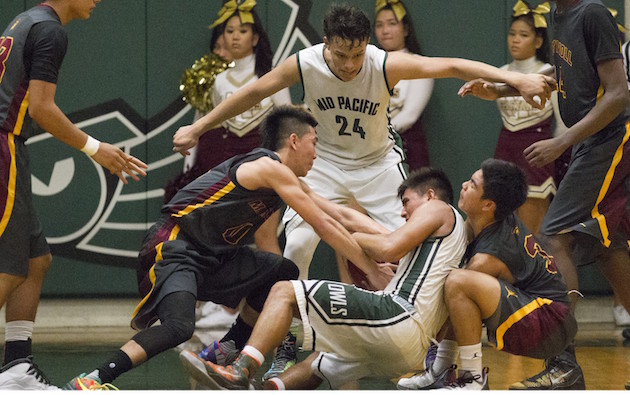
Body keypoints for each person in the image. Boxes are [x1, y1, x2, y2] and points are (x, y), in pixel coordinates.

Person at [172, 3, 553, 380]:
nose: (350, 65)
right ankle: (289, 342)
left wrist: (517, 81)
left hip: (378, 165)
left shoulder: (383, 64)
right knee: (298, 247)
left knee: (421, 248)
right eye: (341, 55)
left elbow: (451, 65)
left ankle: (441, 352)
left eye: (356, 54)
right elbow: (254, 92)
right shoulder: (305, 63)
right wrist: (198, 127)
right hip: (324, 165)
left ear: (367, 44)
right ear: (326, 43)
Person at [62, 105, 392, 390]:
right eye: (313, 143)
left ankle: (225, 351)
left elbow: (340, 213)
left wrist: (394, 238)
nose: (316, 153)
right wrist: (372, 269)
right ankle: (92, 377)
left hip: (214, 258)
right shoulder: (268, 169)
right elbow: (324, 224)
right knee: (179, 327)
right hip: (175, 245)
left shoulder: (286, 179)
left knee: (283, 271)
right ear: (294, 140)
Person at [460, 0, 630, 389]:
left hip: (611, 138)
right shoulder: (559, 13)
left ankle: (562, 361)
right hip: (591, 141)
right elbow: (564, 72)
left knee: (554, 236)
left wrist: (563, 140)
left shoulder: (594, 14)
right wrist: (505, 88)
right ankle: (563, 360)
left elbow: (619, 94)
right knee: (607, 245)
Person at [178, 167, 468, 390]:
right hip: (411, 349)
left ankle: (241, 368)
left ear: (429, 196)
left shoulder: (439, 209)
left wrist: (347, 238)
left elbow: (387, 245)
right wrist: (307, 194)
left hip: (398, 317)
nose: (403, 212)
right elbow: (353, 219)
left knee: (284, 291)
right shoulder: (440, 243)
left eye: (406, 202)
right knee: (318, 364)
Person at [0, 0, 147, 390]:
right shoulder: (50, 30)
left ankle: (16, 367)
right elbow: (43, 109)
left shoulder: (23, 20)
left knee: (36, 260)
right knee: (8, 268)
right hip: (4, 147)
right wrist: (98, 150)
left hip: (11, 147)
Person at [397, 159, 577, 390]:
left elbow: (453, 305)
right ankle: (442, 371)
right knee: (456, 284)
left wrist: (421, 340)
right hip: (542, 314)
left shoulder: (489, 257)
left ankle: (472, 378)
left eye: (472, 184)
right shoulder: (480, 221)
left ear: (488, 205)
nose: (463, 184)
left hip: (550, 326)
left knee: (457, 283)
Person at [491, 0, 562, 233]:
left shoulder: (548, 72)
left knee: (531, 233)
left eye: (523, 34)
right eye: (512, 34)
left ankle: (536, 270)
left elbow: (561, 122)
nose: (515, 39)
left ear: (538, 40)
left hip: (535, 153)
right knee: (501, 226)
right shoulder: (500, 73)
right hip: (505, 150)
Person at [374, 0, 433, 170]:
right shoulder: (368, 64)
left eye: (392, 24)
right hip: (370, 149)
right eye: (379, 25)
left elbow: (410, 116)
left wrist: (378, 133)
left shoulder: (419, 64)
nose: (385, 31)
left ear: (406, 29)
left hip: (408, 148)